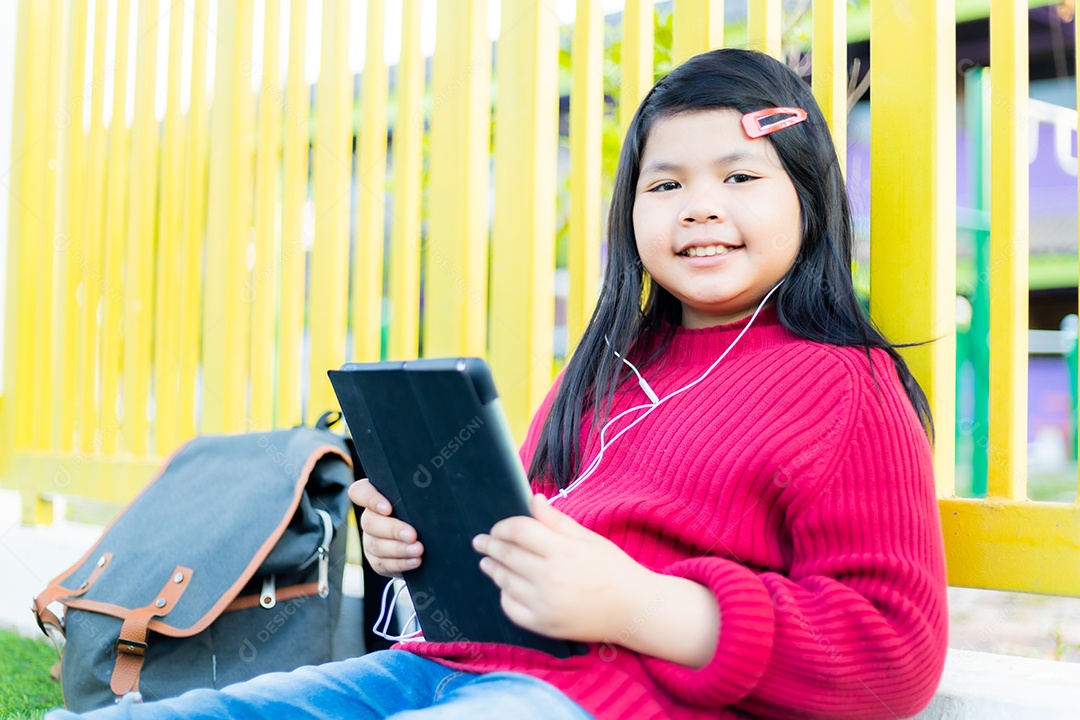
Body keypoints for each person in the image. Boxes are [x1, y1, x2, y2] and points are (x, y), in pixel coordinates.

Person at [48, 47, 947, 720]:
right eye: (664, 184)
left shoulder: (847, 388)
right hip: (449, 666)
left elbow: (895, 649)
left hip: (606, 699)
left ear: (809, 200)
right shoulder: (605, 370)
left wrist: (638, 604)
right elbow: (518, 543)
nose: (700, 206)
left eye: (741, 177)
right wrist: (419, 552)